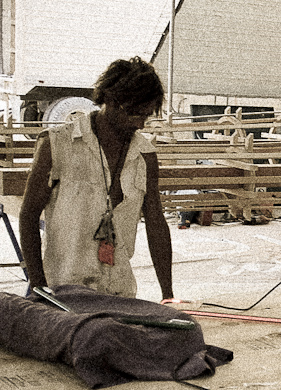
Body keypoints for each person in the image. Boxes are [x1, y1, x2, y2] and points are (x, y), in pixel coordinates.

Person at [19, 57, 174, 300]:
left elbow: (155, 222)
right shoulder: (57, 143)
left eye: (146, 116)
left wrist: (168, 294)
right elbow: (28, 216)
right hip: (64, 289)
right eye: (134, 114)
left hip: (118, 289)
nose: (141, 124)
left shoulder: (145, 155)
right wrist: (39, 286)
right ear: (110, 101)